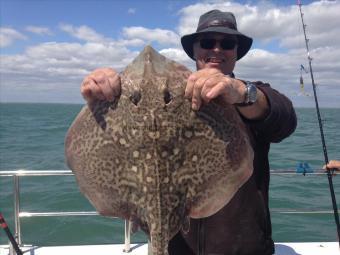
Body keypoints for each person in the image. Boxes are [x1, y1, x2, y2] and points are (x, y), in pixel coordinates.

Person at [80, 10, 297, 255]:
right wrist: (103, 95)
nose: (217, 49)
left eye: (226, 44)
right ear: (194, 50)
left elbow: (285, 120)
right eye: (207, 42)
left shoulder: (250, 96)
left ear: (237, 52)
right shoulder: (170, 95)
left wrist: (241, 93)